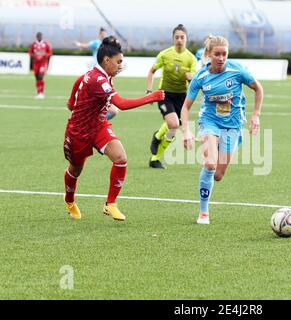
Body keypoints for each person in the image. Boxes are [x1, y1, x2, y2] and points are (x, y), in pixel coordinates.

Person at [63, 36, 164, 221]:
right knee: (76, 169)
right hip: (79, 132)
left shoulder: (99, 76)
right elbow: (122, 104)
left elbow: (73, 98)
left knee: (121, 158)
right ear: (106, 60)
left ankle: (111, 204)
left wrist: (75, 104)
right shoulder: (98, 80)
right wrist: (153, 96)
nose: (120, 65)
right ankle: (69, 200)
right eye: (118, 62)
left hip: (99, 126)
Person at [181, 35, 264, 225]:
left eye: (224, 54)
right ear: (209, 54)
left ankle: (213, 155)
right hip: (209, 121)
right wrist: (186, 130)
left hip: (233, 125)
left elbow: (258, 89)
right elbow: (185, 107)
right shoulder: (201, 77)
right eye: (217, 54)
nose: (221, 58)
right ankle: (203, 212)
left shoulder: (237, 70)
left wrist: (256, 115)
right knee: (210, 164)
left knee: (218, 175)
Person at [146, 24, 197, 169]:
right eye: (177, 37)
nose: (179, 40)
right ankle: (156, 137)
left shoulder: (191, 59)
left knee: (173, 128)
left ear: (186, 39)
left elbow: (194, 78)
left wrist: (191, 76)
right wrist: (149, 91)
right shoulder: (165, 54)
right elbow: (151, 71)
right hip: (165, 94)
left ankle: (155, 158)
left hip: (182, 96)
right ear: (173, 38)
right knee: (174, 124)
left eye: (182, 37)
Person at [75, 27, 119, 120]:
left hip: (102, 76)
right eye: (102, 34)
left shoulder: (110, 49)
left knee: (112, 110)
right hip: (96, 76)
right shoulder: (96, 43)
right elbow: (86, 46)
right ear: (99, 35)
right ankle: (95, 122)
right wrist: (78, 44)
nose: (103, 36)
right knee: (113, 110)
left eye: (104, 34)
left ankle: (95, 121)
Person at [28, 32, 52, 99]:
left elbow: (50, 52)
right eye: (38, 36)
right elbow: (30, 52)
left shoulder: (45, 44)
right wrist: (34, 56)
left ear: (42, 37)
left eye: (40, 36)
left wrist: (45, 55)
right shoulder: (34, 44)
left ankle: (42, 93)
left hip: (43, 63)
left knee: (40, 77)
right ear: (36, 37)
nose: (39, 37)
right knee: (36, 78)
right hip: (35, 64)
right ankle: (38, 92)